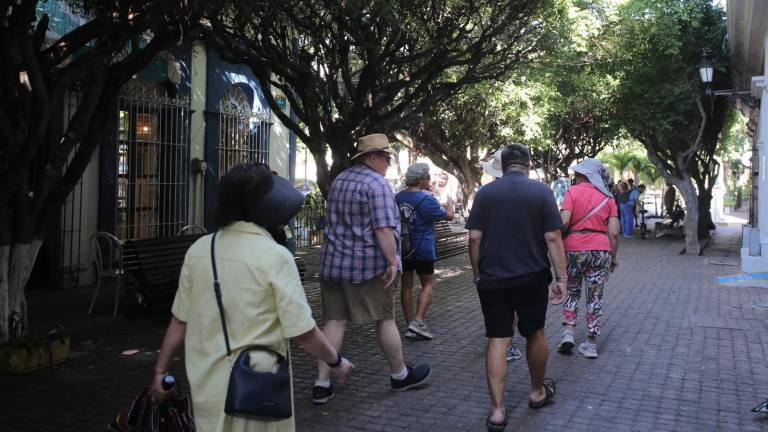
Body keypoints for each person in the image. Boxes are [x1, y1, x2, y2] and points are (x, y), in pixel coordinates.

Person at [150, 163, 354, 432]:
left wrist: (160, 372)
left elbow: (179, 321)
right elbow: (303, 332)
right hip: (259, 385)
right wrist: (335, 362)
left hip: (207, 384)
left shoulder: (200, 249)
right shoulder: (275, 256)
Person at [314, 133, 432, 405]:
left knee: (334, 321)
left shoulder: (340, 180)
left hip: (333, 264)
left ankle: (321, 385)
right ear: (373, 157)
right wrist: (393, 262)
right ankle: (399, 374)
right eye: (386, 156)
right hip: (368, 267)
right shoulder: (376, 185)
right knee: (385, 319)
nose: (390, 161)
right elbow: (383, 229)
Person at [466, 144, 567, 430]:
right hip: (532, 278)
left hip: (492, 280)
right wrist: (562, 278)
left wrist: (477, 274)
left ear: (503, 164)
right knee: (534, 332)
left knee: (498, 339)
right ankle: (537, 392)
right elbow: (552, 238)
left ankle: (497, 411)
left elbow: (474, 238)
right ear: (529, 164)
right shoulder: (542, 192)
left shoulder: (485, 193)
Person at [557, 159, 620, 359]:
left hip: (573, 250)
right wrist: (613, 257)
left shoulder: (572, 192)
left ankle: (568, 334)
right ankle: (591, 344)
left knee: (572, 292)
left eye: (577, 173)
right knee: (595, 297)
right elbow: (614, 233)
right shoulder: (608, 198)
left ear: (584, 175)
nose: (574, 176)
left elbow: (564, 222)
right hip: (600, 251)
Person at [396, 163, 454, 340]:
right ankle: (418, 321)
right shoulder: (427, 199)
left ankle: (409, 325)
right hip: (422, 248)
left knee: (406, 285)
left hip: (403, 248)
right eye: (428, 177)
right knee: (428, 283)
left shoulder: (397, 197)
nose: (429, 180)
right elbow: (448, 215)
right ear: (421, 179)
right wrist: (450, 204)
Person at [481, 148, 522, 363]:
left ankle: (500, 342)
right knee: (513, 305)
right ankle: (506, 344)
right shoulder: (526, 192)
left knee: (498, 307)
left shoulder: (486, 193)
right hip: (519, 260)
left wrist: (477, 268)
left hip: (490, 260)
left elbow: (474, 236)